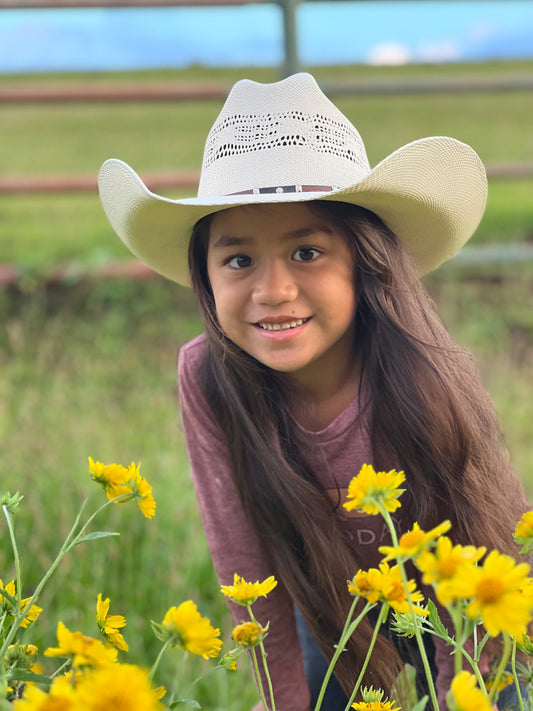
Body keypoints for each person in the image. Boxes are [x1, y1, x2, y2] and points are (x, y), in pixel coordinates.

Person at [98, 73, 530, 711]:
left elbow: (479, 552)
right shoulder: (209, 377)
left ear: (367, 260)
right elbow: (245, 564)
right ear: (204, 275)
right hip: (329, 607)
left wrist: (456, 697)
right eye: (239, 260)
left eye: (306, 252)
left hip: (471, 612)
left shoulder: (423, 371)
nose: (273, 290)